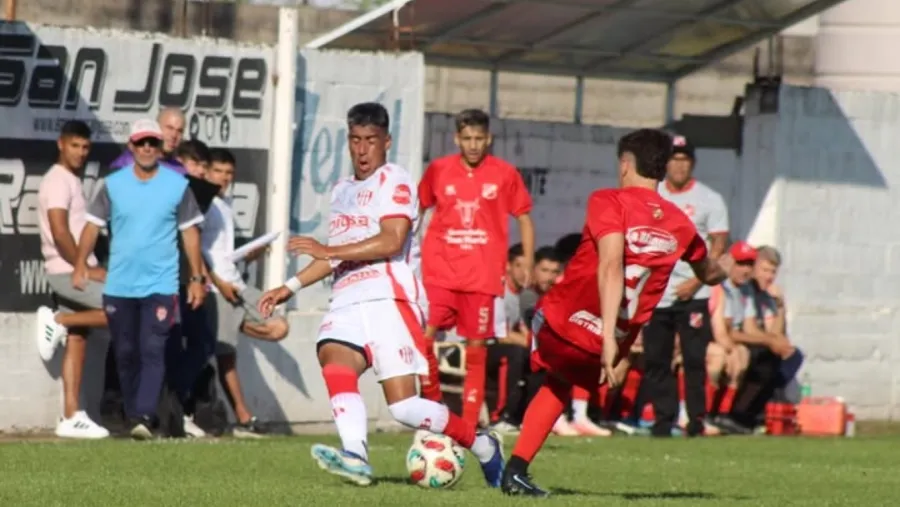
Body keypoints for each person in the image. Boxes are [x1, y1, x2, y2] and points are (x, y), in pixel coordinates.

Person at [257, 102, 504, 487]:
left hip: (390, 299)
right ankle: (356, 455)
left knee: (404, 407)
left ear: (386, 142)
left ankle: (482, 444)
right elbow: (335, 254)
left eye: (370, 140)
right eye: (355, 140)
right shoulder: (342, 190)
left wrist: (329, 250)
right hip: (347, 300)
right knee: (333, 358)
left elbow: (392, 240)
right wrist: (289, 287)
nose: (362, 149)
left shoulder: (396, 180)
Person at [500, 129, 727, 497]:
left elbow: (611, 264)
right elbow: (709, 273)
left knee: (545, 341)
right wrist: (725, 266)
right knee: (561, 382)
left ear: (625, 165)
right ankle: (515, 471)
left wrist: (607, 337)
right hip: (609, 341)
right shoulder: (681, 225)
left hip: (568, 323)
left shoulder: (608, 200)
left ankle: (508, 456)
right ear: (662, 170)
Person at [73, 118, 207, 440]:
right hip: (120, 284)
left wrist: (196, 278)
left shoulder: (177, 186)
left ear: (160, 148)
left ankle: (145, 414)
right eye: (141, 142)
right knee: (125, 352)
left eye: (153, 143)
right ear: (131, 146)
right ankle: (136, 416)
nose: (147, 148)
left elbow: (190, 234)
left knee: (152, 348)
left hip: (161, 284)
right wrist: (80, 265)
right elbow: (91, 226)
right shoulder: (113, 184)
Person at [418, 108, 535, 428]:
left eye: (479, 139)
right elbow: (418, 209)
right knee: (423, 338)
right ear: (457, 139)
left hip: (482, 276)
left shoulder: (504, 174)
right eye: (467, 138)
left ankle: (468, 426)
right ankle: (434, 407)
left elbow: (524, 217)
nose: (473, 145)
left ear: (489, 139)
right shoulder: (439, 170)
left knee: (476, 349)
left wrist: (528, 259)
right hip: (440, 271)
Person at [642, 134, 729, 438]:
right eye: (674, 159)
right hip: (657, 291)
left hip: (694, 292)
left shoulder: (709, 199)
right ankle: (663, 419)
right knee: (657, 358)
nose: (679, 166)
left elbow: (718, 244)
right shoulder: (653, 195)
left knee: (694, 359)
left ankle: (696, 420)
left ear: (692, 163)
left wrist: (697, 280)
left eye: (684, 160)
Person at [201, 147, 289, 437]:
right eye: (218, 171)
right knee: (226, 354)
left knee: (278, 326)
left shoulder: (224, 204)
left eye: (229, 173)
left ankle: (232, 325)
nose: (224, 177)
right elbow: (197, 251)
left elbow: (220, 252)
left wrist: (249, 255)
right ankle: (243, 416)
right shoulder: (202, 204)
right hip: (218, 287)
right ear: (206, 172)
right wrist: (216, 282)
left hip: (236, 282)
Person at [35, 120, 110, 439]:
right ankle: (58, 320)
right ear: (60, 144)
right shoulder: (57, 180)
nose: (80, 152)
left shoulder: (71, 180)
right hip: (68, 271)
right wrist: (84, 268)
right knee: (121, 310)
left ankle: (70, 416)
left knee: (78, 339)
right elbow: (59, 231)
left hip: (72, 269)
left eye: (85, 147)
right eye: (74, 146)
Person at [487, 244, 534, 434]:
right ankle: (499, 417)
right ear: (508, 266)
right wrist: (531, 344)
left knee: (539, 358)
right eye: (519, 266)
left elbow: (522, 329)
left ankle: (528, 416)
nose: (524, 272)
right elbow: (501, 334)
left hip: (499, 345)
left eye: (528, 267)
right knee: (514, 354)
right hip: (479, 345)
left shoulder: (521, 295)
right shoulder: (499, 291)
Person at [110, 108, 186, 173]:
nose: (174, 135)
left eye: (180, 131)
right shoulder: (128, 163)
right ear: (156, 127)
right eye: (169, 128)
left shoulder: (180, 170)